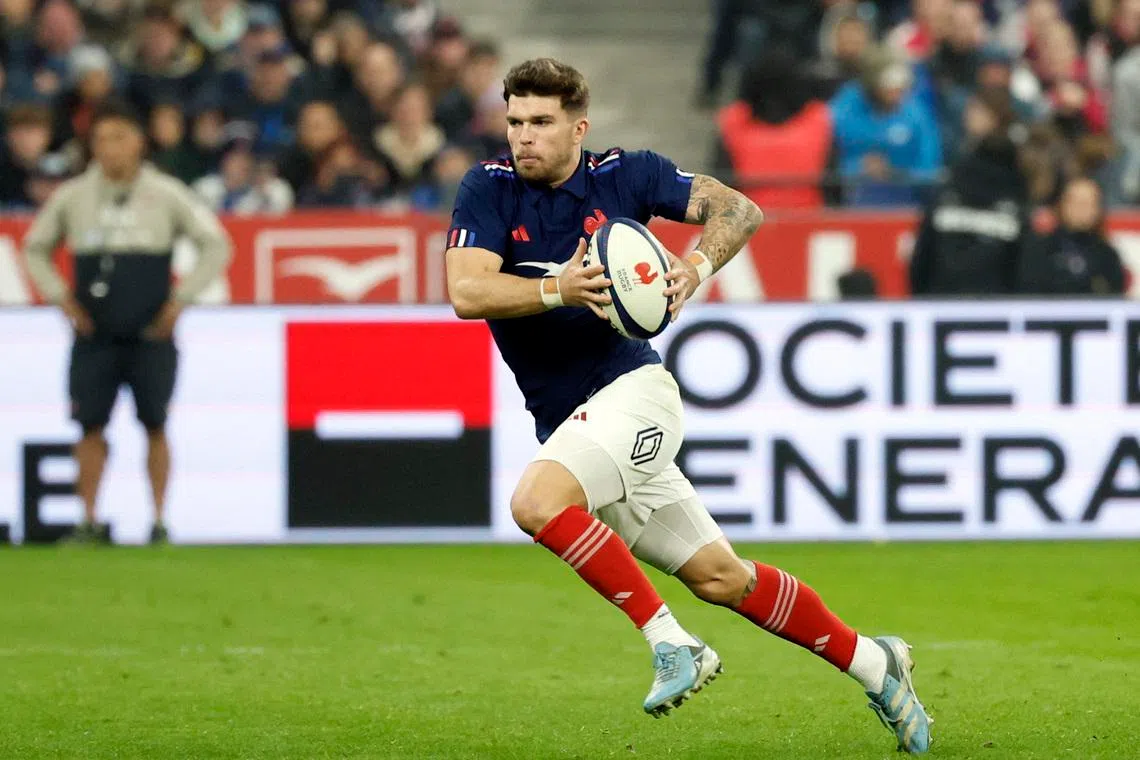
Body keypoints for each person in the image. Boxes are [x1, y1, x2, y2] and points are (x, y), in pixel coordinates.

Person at [445, 57, 932, 754]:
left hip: (635, 394)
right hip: (574, 425)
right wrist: (561, 290)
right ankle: (875, 664)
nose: (525, 137)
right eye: (516, 121)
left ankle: (673, 645)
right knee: (720, 577)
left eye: (542, 123)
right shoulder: (486, 190)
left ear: (578, 127)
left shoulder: (627, 175)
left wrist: (694, 269)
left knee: (536, 503)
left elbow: (741, 208)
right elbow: (467, 293)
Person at [22, 99, 232, 545]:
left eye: (118, 137)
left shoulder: (166, 193)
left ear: (139, 141)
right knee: (89, 426)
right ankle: (89, 519)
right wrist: (61, 299)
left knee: (155, 423)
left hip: (151, 330)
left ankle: (158, 520)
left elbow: (216, 244)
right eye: (100, 139)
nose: (109, 148)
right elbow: (35, 246)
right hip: (94, 332)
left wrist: (181, 301)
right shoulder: (74, 195)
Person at [910, 87, 1029, 296]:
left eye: (977, 109)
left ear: (995, 117)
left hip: (959, 299)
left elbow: (923, 257)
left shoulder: (1010, 177)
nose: (968, 115)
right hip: (984, 302)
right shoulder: (958, 167)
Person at [1017, 176, 1127, 295]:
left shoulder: (1106, 254)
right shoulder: (1038, 248)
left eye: (1088, 203)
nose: (1081, 209)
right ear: (1062, 204)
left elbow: (1115, 297)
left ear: (1098, 209)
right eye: (1076, 202)